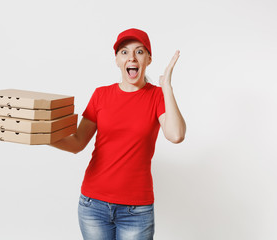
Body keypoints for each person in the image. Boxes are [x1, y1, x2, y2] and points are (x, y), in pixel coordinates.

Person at [51, 28, 186, 240]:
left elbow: (176, 135)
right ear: (116, 60)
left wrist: (166, 86)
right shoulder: (101, 95)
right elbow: (77, 143)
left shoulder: (157, 96)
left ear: (149, 59)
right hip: (93, 205)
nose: (131, 57)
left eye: (139, 52)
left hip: (136, 211)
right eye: (124, 52)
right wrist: (39, 136)